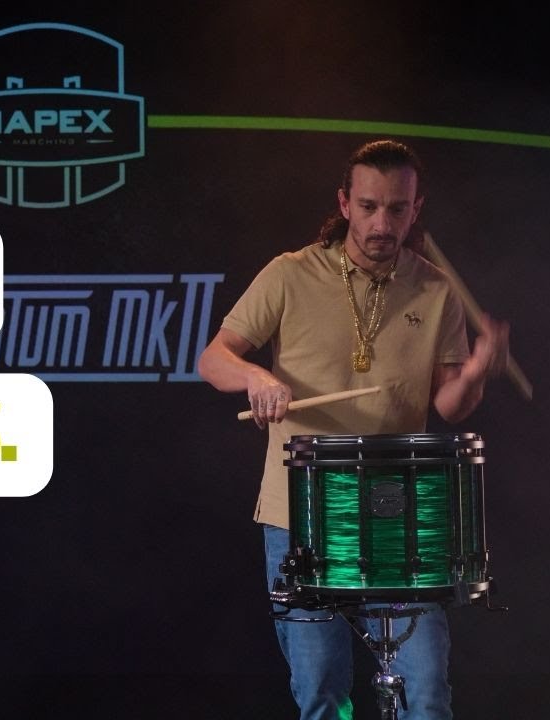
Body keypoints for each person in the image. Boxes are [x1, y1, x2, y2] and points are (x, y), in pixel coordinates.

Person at [198, 140, 510, 719]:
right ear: (344, 204)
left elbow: (451, 405)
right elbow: (213, 359)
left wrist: (474, 373)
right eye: (368, 206)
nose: (381, 223)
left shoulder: (435, 288)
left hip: (399, 515)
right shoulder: (290, 274)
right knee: (322, 694)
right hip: (301, 513)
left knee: (426, 693)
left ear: (416, 210)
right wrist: (256, 377)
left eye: (396, 208)